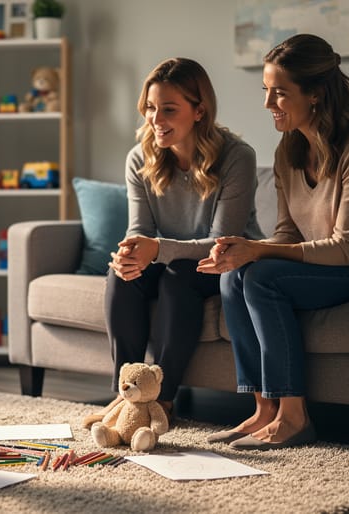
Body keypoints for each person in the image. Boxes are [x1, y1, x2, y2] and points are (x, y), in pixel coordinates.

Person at [197, 34, 349, 450]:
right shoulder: (289, 151)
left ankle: (295, 417)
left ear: (316, 94)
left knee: (262, 276)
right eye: (266, 91)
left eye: (280, 93)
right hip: (331, 268)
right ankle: (264, 410)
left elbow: (345, 248)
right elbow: (288, 235)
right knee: (235, 276)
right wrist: (240, 250)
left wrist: (259, 250)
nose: (268, 104)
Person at [83, 57, 263, 428]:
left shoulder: (236, 157)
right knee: (123, 275)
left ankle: (162, 401)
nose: (155, 119)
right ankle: (126, 397)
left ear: (199, 111)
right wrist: (130, 255)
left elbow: (221, 241)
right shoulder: (140, 158)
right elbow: (139, 231)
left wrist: (157, 250)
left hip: (224, 262)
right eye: (150, 108)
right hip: (165, 258)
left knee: (178, 275)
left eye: (168, 109)